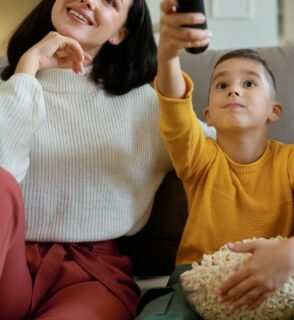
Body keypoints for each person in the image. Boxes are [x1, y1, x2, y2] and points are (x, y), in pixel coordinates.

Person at [136, 0, 294, 318]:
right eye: (222, 84)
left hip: (276, 285)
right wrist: (169, 56)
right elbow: (174, 109)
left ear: (274, 111)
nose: (234, 91)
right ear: (207, 115)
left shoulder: (292, 160)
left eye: (250, 83)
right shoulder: (199, 156)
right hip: (194, 286)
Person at [0, 0, 187, 318]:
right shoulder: (10, 90)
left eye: (111, 1)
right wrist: (28, 68)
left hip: (89, 275)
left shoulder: (144, 104)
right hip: (7, 261)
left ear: (119, 33)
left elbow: (211, 154)